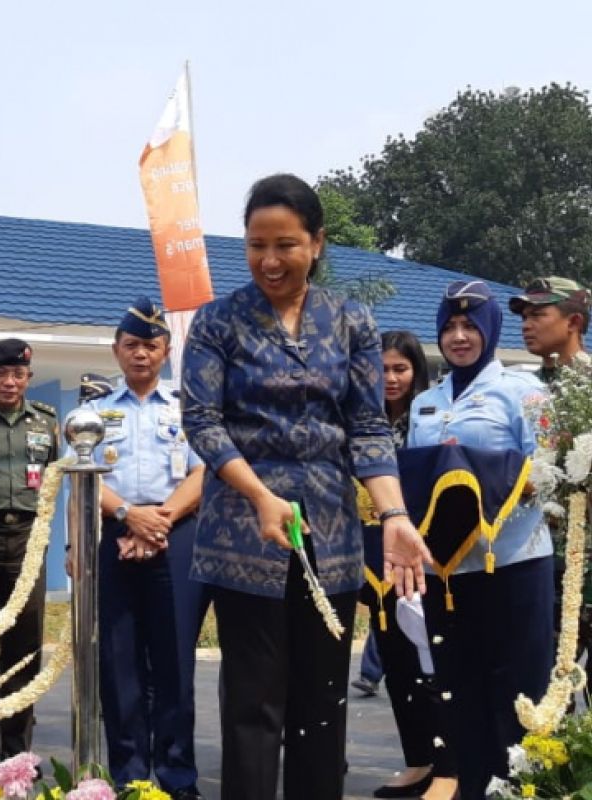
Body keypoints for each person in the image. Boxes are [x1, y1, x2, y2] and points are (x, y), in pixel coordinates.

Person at [180, 173, 430, 800]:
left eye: (286, 244)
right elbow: (202, 421)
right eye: (256, 245)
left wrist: (394, 513)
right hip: (244, 533)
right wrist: (260, 495)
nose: (269, 260)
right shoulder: (218, 322)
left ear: (317, 243)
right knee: (252, 705)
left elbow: (368, 425)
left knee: (322, 704)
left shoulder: (352, 322)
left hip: (333, 537)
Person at [408, 280, 553, 799]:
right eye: (449, 327)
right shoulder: (425, 402)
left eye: (471, 326)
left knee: (518, 696)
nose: (460, 336)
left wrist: (489, 483)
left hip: (513, 563)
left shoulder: (527, 392)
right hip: (447, 574)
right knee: (459, 693)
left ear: (490, 331)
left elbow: (552, 470)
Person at [80, 298, 208, 800]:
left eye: (150, 345)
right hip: (116, 535)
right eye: (131, 345)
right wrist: (127, 516)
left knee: (175, 661)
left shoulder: (186, 408)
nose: (140, 354)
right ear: (116, 350)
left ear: (166, 350)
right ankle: (130, 777)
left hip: (175, 536)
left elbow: (204, 471)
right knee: (120, 661)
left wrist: (160, 520)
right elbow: (83, 475)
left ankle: (178, 778)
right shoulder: (92, 412)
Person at [363, 330, 457, 800]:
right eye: (381, 369)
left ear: (417, 370)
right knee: (396, 662)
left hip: (423, 557)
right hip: (375, 559)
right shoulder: (363, 421)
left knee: (431, 662)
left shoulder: (429, 419)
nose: (391, 378)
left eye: (400, 368)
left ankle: (448, 765)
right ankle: (418, 760)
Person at [0, 338, 60, 770]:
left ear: (28, 378)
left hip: (27, 539)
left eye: (18, 374)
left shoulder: (48, 421)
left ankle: (15, 757)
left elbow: (57, 476)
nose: (10, 381)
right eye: (1, 373)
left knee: (24, 649)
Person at [510, 276, 592, 664]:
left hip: (584, 557)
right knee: (541, 682)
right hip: (535, 557)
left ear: (574, 322)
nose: (526, 324)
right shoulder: (518, 390)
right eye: (524, 316)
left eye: (538, 314)